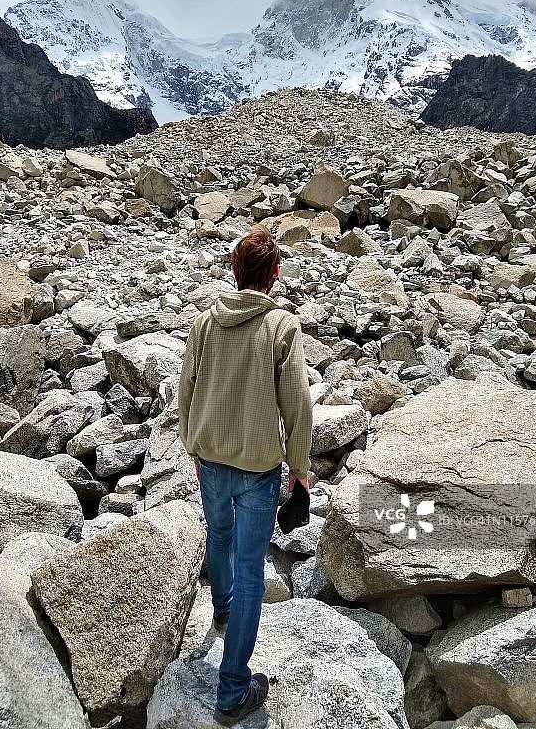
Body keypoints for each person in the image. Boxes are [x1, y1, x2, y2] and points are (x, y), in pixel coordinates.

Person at [178, 224, 313, 725]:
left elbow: (185, 388)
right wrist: (300, 470)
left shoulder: (205, 322)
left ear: (236, 272)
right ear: (275, 275)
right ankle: (233, 689)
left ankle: (221, 610)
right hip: (258, 464)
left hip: (210, 456)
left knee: (219, 535)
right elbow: (297, 405)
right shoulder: (282, 327)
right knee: (253, 569)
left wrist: (193, 442)